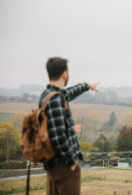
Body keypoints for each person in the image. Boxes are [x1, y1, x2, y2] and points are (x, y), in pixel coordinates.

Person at [39, 57, 100, 195]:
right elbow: (58, 137)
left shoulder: (48, 95)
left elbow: (69, 92)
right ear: (64, 74)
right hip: (64, 166)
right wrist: (71, 162)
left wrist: (87, 85)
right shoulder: (55, 99)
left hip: (54, 163)